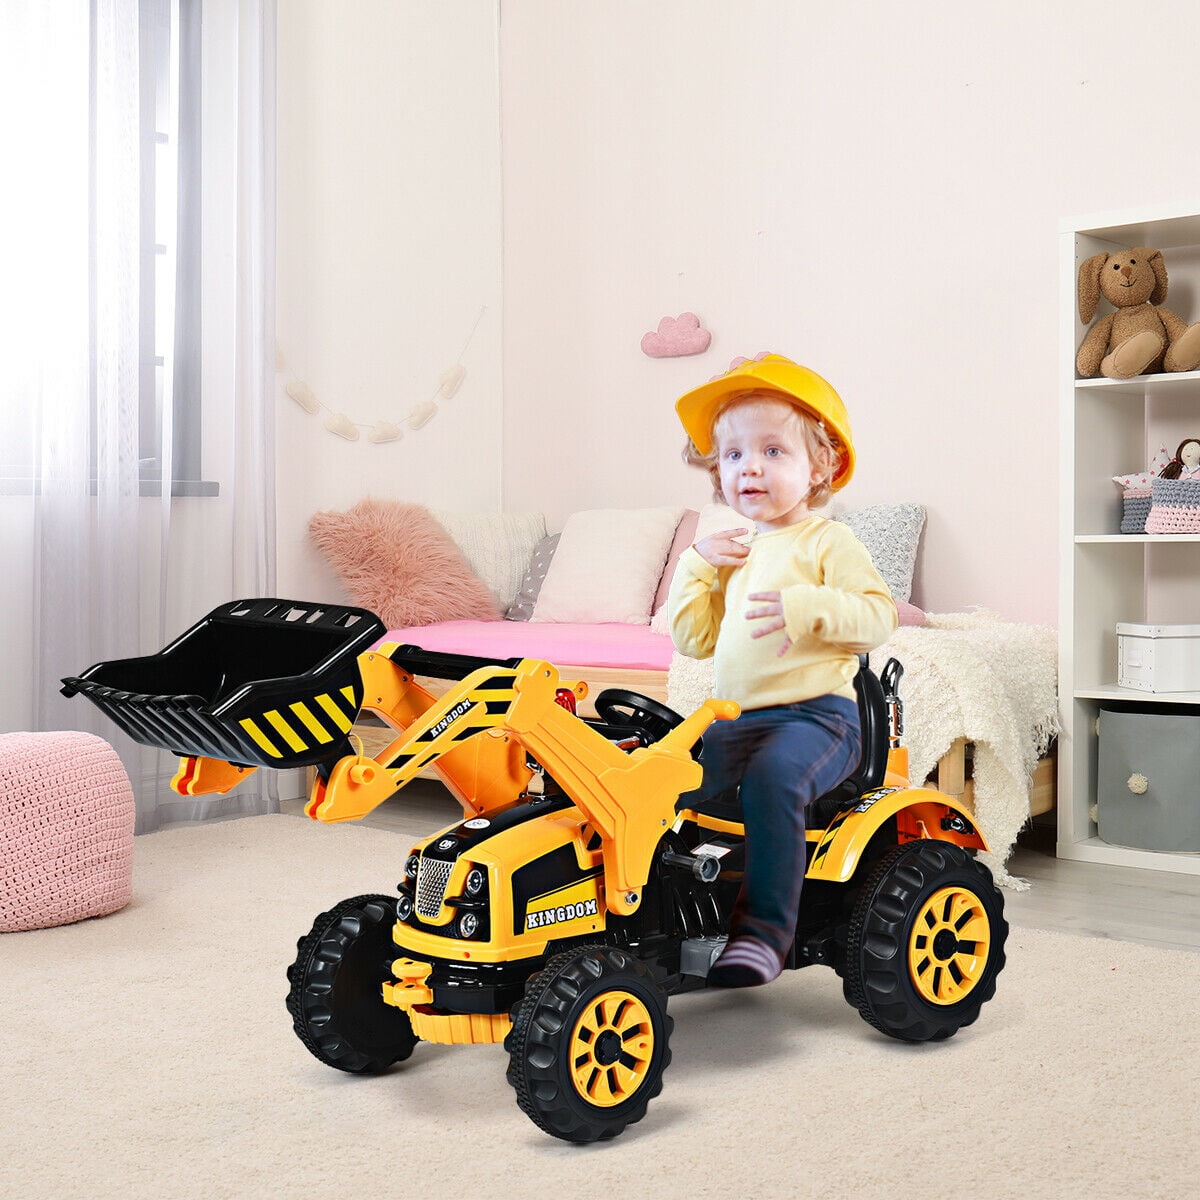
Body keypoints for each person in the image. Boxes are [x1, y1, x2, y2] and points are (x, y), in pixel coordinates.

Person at [668, 354, 898, 988]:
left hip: (819, 720)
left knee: (773, 780)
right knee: (661, 785)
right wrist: (696, 566)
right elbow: (693, 641)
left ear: (819, 466)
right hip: (735, 720)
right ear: (719, 472)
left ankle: (762, 937)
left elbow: (877, 617)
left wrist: (804, 607)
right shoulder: (732, 553)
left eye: (773, 451)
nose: (750, 467)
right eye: (735, 454)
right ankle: (663, 917)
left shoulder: (827, 542)